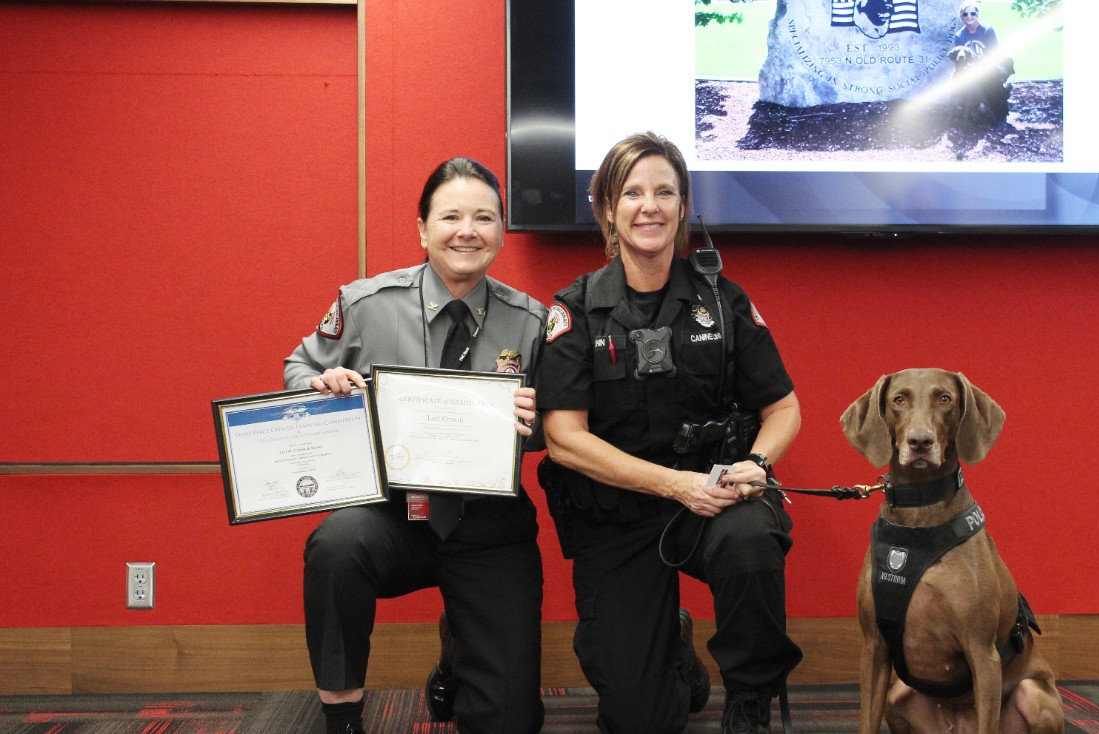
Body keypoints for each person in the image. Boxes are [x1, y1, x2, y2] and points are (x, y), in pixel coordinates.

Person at [537, 132, 803, 734]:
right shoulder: (574, 310)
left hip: (711, 505)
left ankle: (749, 701)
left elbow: (784, 409)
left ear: (684, 206)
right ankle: (673, 653)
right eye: (631, 192)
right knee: (639, 719)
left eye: (664, 191)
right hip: (618, 514)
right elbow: (563, 439)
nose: (648, 205)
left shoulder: (724, 302)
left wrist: (757, 463)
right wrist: (673, 484)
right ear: (606, 208)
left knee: (751, 538)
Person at [283, 157, 547, 734]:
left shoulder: (532, 323)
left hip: (488, 524)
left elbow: (561, 428)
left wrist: (537, 420)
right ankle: (342, 711)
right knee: (335, 545)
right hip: (392, 513)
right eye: (450, 216)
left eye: (484, 217)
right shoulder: (364, 304)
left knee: (512, 722)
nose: (467, 230)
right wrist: (319, 383)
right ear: (423, 228)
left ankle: (461, 647)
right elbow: (298, 365)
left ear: (501, 230)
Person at [951, 2, 1014, 123]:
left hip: (987, 67)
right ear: (962, 16)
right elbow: (959, 58)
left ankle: (1002, 118)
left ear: (977, 14)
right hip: (969, 70)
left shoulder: (987, 30)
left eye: (972, 13)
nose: (969, 16)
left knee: (991, 86)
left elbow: (993, 53)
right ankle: (964, 118)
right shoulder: (959, 36)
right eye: (965, 14)